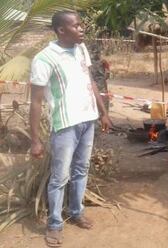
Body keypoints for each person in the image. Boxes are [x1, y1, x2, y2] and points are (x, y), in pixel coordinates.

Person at [29, 11, 112, 246]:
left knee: (81, 169)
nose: (81, 29)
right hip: (65, 125)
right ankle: (54, 224)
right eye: (76, 26)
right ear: (61, 30)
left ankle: (76, 212)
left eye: (81, 25)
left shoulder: (81, 49)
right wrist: (35, 140)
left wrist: (103, 113)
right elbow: (35, 101)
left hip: (88, 121)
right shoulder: (44, 59)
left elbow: (90, 81)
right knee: (59, 177)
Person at [90, 44, 110, 112]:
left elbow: (107, 74)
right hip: (91, 85)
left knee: (104, 103)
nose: (96, 54)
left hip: (101, 86)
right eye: (94, 52)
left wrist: (102, 79)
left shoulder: (103, 62)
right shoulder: (88, 62)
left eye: (97, 52)